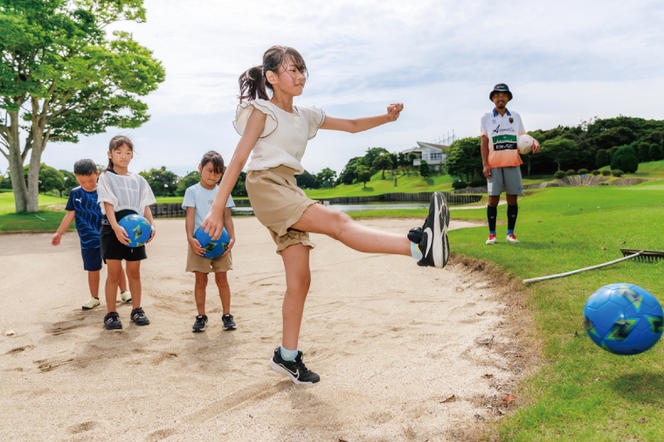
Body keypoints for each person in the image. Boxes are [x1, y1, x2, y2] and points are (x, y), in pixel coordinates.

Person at [201, 45, 450, 385]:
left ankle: (286, 357)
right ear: (272, 77)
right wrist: (217, 207)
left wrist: (386, 117)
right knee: (336, 222)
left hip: (288, 186)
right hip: (265, 186)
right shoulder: (262, 111)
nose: (300, 75)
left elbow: (350, 124)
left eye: (302, 69)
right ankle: (419, 246)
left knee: (300, 280)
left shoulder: (307, 115)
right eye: (292, 70)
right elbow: (239, 159)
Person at [51, 159, 132, 310]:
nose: (87, 184)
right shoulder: (75, 193)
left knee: (115, 266)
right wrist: (59, 233)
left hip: (108, 236)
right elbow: (70, 215)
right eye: (82, 181)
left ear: (97, 174)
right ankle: (94, 298)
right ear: (76, 177)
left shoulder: (105, 190)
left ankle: (124, 291)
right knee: (92, 269)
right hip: (88, 240)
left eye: (90, 180)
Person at [97, 136, 156, 330]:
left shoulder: (138, 180)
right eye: (119, 152)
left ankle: (137, 309)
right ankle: (111, 314)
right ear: (110, 154)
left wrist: (151, 225)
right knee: (113, 272)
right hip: (113, 227)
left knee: (134, 272)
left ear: (132, 155)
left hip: (136, 229)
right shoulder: (106, 177)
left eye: (128, 153)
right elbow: (108, 204)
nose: (124, 156)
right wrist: (115, 227)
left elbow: (145, 205)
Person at [183, 151, 237, 333]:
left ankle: (227, 315)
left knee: (222, 279)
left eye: (217, 172)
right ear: (200, 168)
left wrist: (232, 237)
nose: (213, 176)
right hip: (199, 243)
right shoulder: (192, 191)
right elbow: (190, 217)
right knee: (200, 280)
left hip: (221, 242)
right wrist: (190, 238)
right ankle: (201, 316)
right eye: (209, 171)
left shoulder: (223, 191)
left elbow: (227, 218)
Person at [480, 83, 540, 245]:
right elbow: (484, 142)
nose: (501, 97)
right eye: (497, 95)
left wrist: (534, 140)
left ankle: (510, 233)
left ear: (508, 98)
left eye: (504, 95)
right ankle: (492, 234)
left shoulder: (515, 116)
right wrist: (485, 164)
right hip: (494, 164)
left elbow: (523, 136)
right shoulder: (486, 117)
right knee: (493, 200)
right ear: (493, 98)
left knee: (512, 199)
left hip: (513, 162)